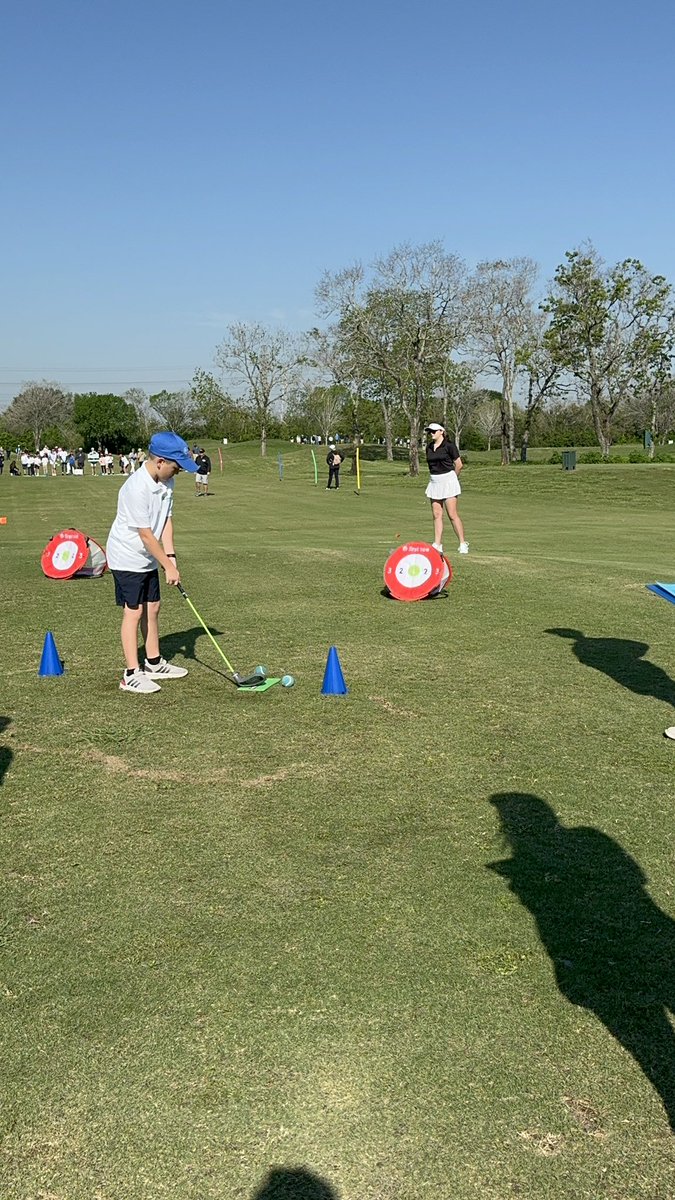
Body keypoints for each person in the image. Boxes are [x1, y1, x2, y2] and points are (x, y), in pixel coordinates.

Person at [105, 431, 198, 694]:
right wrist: (167, 566)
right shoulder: (136, 487)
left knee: (153, 606)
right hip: (126, 556)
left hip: (148, 556)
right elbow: (145, 534)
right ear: (160, 461)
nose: (178, 472)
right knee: (133, 611)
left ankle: (154, 662)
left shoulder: (166, 482)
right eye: (176, 467)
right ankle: (131, 674)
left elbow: (166, 521)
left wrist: (170, 557)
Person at [424, 422, 469, 554]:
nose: (431, 434)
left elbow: (459, 464)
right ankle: (437, 544)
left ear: (441, 432)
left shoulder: (449, 446)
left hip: (448, 480)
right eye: (429, 432)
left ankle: (462, 543)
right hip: (434, 481)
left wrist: (453, 478)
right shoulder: (429, 447)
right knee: (437, 514)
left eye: (433, 431)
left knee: (452, 514)